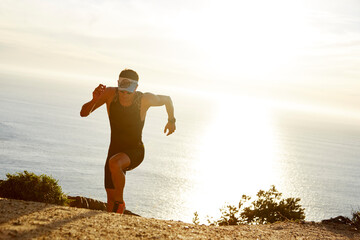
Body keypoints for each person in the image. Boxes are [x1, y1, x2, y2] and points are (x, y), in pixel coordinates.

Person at [80, 69, 176, 214]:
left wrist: (171, 121)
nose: (124, 95)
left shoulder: (145, 99)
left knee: (115, 164)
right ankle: (113, 223)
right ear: (118, 85)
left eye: (128, 92)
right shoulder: (110, 94)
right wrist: (95, 99)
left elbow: (167, 99)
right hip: (114, 150)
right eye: (122, 91)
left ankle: (120, 203)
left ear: (136, 88)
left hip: (135, 151)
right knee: (110, 200)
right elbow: (84, 113)